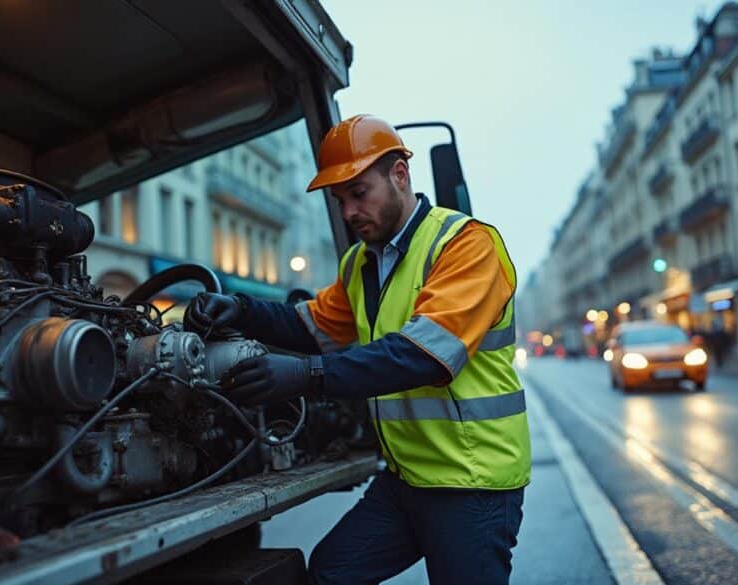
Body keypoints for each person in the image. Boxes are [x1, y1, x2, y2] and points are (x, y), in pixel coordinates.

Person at [184, 114, 530, 585]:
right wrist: (241, 308)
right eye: (339, 200)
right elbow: (312, 326)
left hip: (471, 483)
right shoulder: (360, 263)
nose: (348, 212)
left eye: (358, 193)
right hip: (408, 481)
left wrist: (307, 375)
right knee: (330, 574)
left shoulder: (467, 245)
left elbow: (421, 355)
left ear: (400, 176)